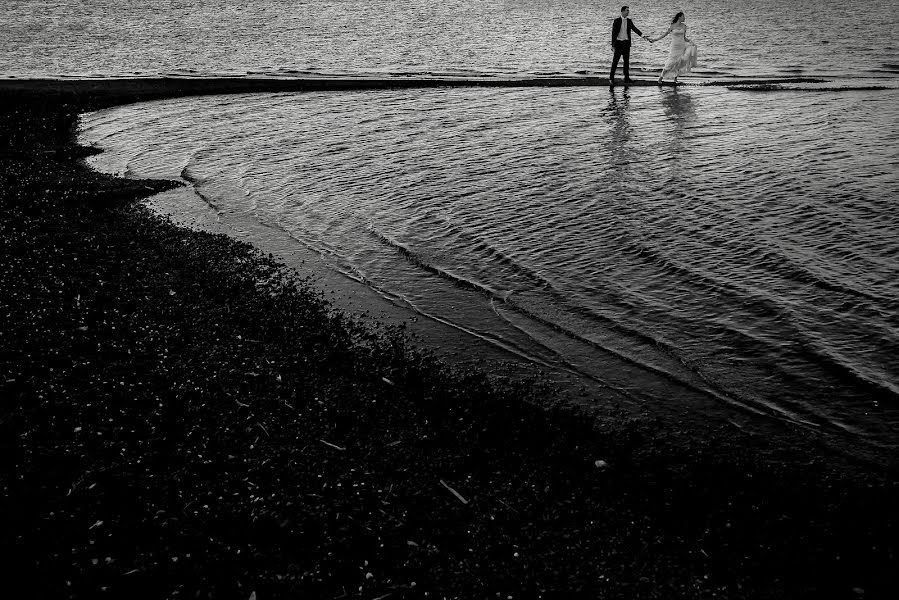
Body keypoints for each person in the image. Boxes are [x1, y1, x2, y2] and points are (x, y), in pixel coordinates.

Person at [649, 11, 698, 84]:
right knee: (671, 61)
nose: (684, 18)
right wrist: (655, 39)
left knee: (679, 62)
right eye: (683, 17)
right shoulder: (672, 26)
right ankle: (660, 78)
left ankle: (675, 79)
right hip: (674, 46)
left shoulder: (684, 26)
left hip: (682, 45)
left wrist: (691, 42)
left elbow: (684, 38)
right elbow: (665, 34)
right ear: (679, 17)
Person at [610, 6, 651, 87]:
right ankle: (611, 78)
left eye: (628, 11)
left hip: (626, 44)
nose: (628, 12)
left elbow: (635, 29)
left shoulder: (629, 21)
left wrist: (643, 36)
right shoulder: (616, 21)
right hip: (618, 44)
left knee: (626, 62)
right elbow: (613, 33)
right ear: (622, 11)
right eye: (627, 11)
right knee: (615, 62)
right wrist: (612, 45)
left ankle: (627, 78)